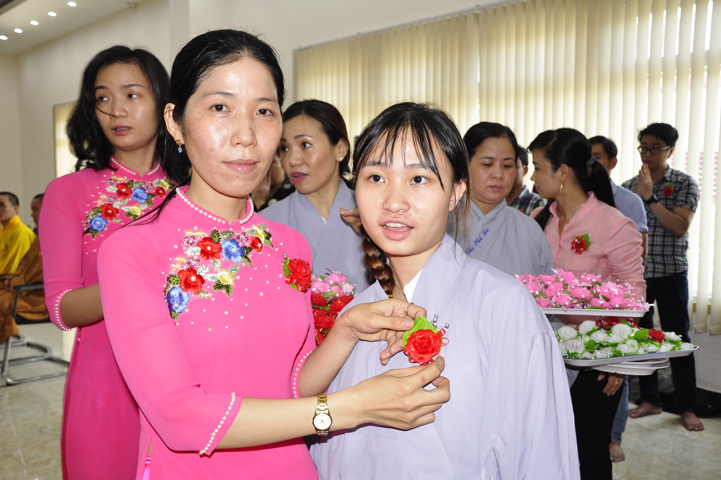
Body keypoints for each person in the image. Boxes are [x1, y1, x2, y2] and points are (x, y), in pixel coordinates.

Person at [96, 30, 449, 480]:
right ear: (175, 121)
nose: (246, 136)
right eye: (220, 108)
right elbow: (179, 418)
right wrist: (349, 408)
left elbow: (292, 385)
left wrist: (344, 331)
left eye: (264, 111)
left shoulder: (288, 245)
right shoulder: (132, 250)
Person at [312, 103, 579, 479]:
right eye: (376, 177)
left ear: (455, 192)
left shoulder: (503, 304)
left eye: (419, 178)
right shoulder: (357, 314)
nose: (393, 201)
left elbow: (540, 453)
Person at [39, 46, 172, 480]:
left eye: (132, 94)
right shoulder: (68, 192)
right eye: (102, 98)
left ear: (164, 104)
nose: (116, 109)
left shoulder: (194, 189)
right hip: (105, 377)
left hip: (186, 374)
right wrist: (134, 284)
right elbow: (61, 308)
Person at [530, 128, 645, 480]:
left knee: (590, 451)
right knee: (549, 449)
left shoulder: (613, 224)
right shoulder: (539, 219)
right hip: (546, 355)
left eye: (538, 168)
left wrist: (618, 361)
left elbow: (634, 295)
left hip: (597, 361)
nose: (532, 177)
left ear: (563, 172)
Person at [622, 123, 704, 432]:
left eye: (655, 148)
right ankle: (650, 399)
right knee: (642, 339)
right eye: (644, 147)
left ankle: (687, 407)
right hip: (638, 275)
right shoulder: (628, 186)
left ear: (670, 150)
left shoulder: (684, 183)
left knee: (678, 340)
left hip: (671, 272)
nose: (648, 153)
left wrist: (651, 198)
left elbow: (680, 227)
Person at [262, 100, 369, 290]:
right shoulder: (265, 225)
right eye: (284, 149)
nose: (292, 160)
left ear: (340, 149)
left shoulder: (374, 213)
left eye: (305, 144)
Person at [589, 135, 648, 463]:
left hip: (618, 301)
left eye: (597, 157)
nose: (591, 163)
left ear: (612, 161)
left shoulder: (629, 200)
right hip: (584, 305)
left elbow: (639, 255)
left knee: (617, 371)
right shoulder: (577, 201)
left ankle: (614, 437)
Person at [453, 122, 554, 276]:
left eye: (507, 165)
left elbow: (546, 286)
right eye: (487, 164)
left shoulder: (530, 230)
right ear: (464, 165)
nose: (498, 175)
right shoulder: (443, 225)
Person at [0, 194, 47, 344]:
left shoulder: (22, 232)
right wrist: (14, 276)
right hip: (21, 287)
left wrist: (15, 280)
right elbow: (24, 264)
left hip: (36, 296)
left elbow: (40, 273)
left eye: (35, 210)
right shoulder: (41, 235)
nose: (31, 214)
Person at [0, 192, 35, 275]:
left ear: (15, 208)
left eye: (2, 205)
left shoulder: (20, 232)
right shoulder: (4, 231)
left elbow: (12, 268)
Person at [506, 145, 547, 215]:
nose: (509, 172)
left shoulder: (537, 203)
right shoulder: (494, 201)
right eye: (506, 166)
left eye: (514, 166)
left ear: (525, 170)